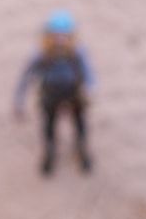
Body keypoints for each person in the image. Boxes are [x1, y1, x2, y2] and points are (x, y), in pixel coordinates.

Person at [12, 11, 94, 175]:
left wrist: (90, 89)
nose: (60, 39)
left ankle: (81, 149)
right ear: (48, 36)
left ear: (71, 36)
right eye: (56, 35)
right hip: (50, 92)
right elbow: (26, 77)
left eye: (64, 35)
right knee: (49, 126)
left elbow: (88, 72)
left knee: (80, 124)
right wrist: (19, 100)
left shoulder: (77, 52)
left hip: (73, 92)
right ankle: (50, 153)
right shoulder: (41, 54)